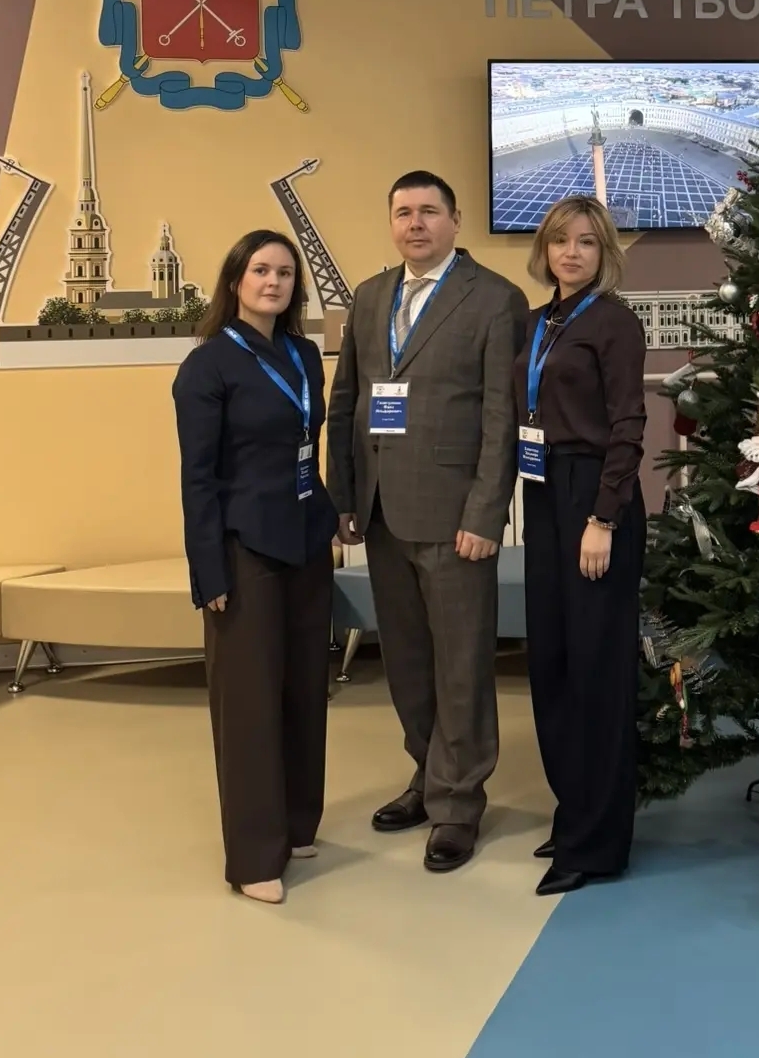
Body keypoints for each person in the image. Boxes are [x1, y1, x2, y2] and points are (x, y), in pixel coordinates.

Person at [327, 171, 527, 874]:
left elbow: (502, 418)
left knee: (461, 664)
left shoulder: (495, 300)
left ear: (455, 220)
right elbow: (346, 400)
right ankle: (428, 772)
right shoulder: (369, 296)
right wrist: (344, 495)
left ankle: (458, 804)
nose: (416, 224)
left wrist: (486, 513)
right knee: (407, 662)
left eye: (429, 212)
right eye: (404, 213)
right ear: (391, 223)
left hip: (454, 516)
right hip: (382, 511)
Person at [173, 230, 337, 905]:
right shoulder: (207, 366)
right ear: (236, 280)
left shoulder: (304, 354)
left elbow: (309, 443)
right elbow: (197, 479)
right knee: (249, 704)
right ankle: (253, 856)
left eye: (285, 273)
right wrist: (209, 571)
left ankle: (297, 823)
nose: (274, 282)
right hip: (245, 550)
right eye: (261, 270)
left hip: (306, 540)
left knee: (304, 689)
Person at [515, 195, 646, 897]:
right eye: (561, 240)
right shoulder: (539, 323)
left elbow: (628, 425)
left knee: (597, 671)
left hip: (596, 498)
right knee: (553, 664)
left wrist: (604, 518)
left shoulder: (614, 322)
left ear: (604, 254)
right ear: (545, 249)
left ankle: (597, 843)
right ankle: (574, 814)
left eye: (587, 243)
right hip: (543, 495)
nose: (572, 252)